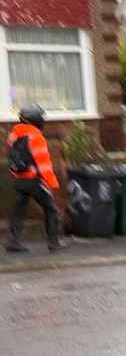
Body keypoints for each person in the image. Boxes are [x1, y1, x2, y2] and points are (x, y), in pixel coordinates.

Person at [5, 104, 68, 253]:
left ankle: (12, 241)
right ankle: (54, 243)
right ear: (35, 120)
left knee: (19, 210)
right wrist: (52, 184)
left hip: (19, 179)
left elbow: (13, 156)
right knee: (51, 209)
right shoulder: (37, 137)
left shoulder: (13, 135)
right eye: (40, 118)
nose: (42, 120)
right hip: (34, 180)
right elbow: (44, 165)